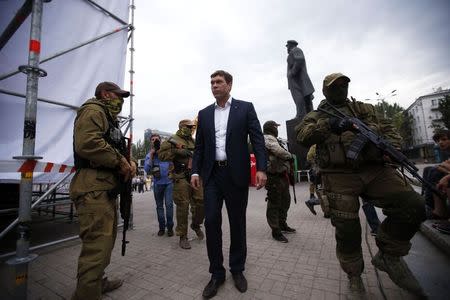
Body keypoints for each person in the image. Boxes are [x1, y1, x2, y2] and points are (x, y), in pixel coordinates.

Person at [296, 73, 426, 296]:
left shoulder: (365, 109)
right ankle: (354, 276)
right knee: (347, 228)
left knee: (413, 204)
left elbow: (389, 130)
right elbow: (301, 135)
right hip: (339, 176)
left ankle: (389, 255)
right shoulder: (317, 115)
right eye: (334, 87)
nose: (340, 89)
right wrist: (330, 125)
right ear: (325, 91)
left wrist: (392, 149)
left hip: (375, 169)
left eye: (344, 85)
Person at [191, 70, 267, 298]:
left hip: (236, 175)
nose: (214, 85)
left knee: (237, 222)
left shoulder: (245, 108)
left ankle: (237, 269)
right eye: (212, 82)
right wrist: (195, 170)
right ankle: (216, 273)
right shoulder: (204, 114)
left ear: (229, 85)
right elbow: (199, 147)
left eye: (219, 82)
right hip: (212, 175)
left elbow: (257, 139)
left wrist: (262, 168)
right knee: (212, 221)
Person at [69, 81, 136, 299]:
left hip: (104, 189)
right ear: (105, 94)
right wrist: (120, 162)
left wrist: (130, 161)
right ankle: (87, 293)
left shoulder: (109, 119)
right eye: (119, 96)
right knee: (96, 249)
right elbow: (87, 142)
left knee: (103, 245)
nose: (122, 101)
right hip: (93, 189)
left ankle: (97, 283)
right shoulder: (93, 110)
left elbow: (116, 148)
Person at [158, 119, 205, 249]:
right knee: (182, 207)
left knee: (202, 202)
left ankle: (195, 224)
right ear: (182, 127)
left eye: (192, 127)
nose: (191, 129)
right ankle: (182, 236)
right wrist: (175, 152)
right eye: (189, 127)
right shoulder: (172, 139)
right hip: (180, 177)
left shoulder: (192, 140)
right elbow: (161, 155)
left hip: (195, 176)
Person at [263, 120, 296, 243]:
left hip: (281, 175)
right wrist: (290, 156)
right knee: (274, 204)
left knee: (285, 201)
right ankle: (275, 231)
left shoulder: (275, 139)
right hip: (273, 177)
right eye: (275, 126)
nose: (277, 129)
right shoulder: (267, 138)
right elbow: (278, 151)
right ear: (271, 128)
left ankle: (282, 224)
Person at [144, 134, 174, 237]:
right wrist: (152, 156)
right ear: (150, 142)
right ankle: (162, 228)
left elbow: (173, 163)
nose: (154, 141)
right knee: (159, 207)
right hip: (157, 184)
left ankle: (170, 227)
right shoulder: (149, 155)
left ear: (160, 141)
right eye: (152, 139)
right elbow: (147, 170)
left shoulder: (166, 153)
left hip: (169, 183)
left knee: (169, 205)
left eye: (156, 139)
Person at [423, 129, 450, 219]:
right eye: (438, 141)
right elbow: (443, 165)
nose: (440, 142)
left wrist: (444, 169)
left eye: (444, 139)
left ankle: (431, 206)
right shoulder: (447, 152)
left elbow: (444, 166)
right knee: (428, 169)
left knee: (435, 171)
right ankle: (427, 200)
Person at [286, 40, 315, 120]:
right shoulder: (294, 51)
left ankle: (301, 115)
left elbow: (299, 60)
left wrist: (292, 73)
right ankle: (305, 114)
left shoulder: (296, 50)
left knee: (299, 97)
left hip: (297, 80)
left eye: (287, 46)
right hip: (296, 80)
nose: (287, 48)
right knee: (301, 97)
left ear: (291, 45)